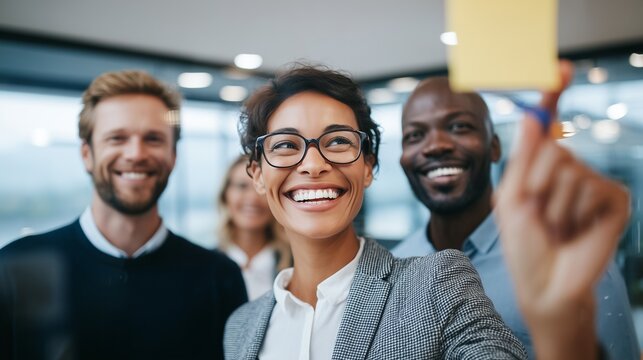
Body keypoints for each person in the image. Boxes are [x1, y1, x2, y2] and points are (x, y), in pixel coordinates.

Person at [224, 65, 527, 359]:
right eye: (286, 145)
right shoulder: (240, 328)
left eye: (339, 141)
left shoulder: (436, 285)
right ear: (258, 176)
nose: (314, 165)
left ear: (367, 167)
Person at [0, 70, 247, 360]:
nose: (135, 154)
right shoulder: (14, 269)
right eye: (117, 138)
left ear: (173, 155)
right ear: (86, 154)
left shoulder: (219, 277)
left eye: (153, 139)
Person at [393, 68, 638, 359]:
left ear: (494, 147)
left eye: (459, 127)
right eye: (415, 135)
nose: (435, 145)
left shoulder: (567, 263)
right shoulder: (396, 267)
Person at [217, 155, 292, 300]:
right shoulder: (204, 267)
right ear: (225, 195)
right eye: (242, 186)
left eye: (261, 187)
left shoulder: (295, 266)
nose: (252, 198)